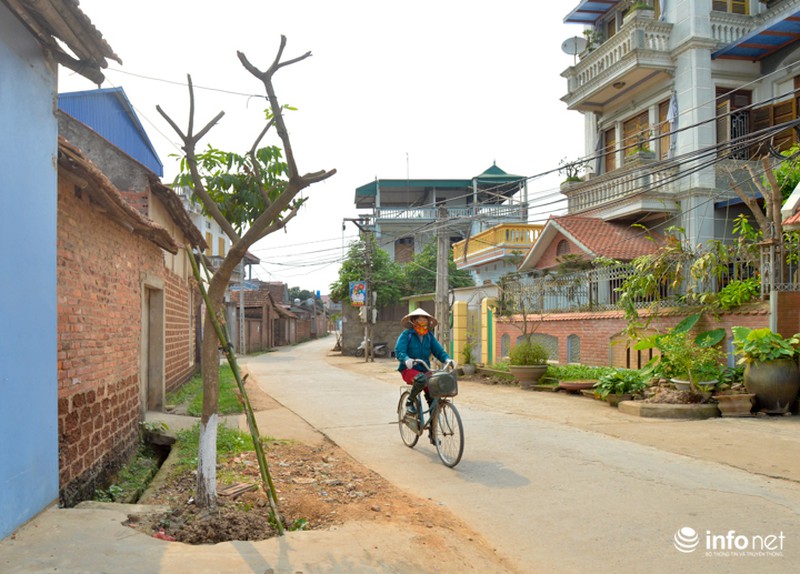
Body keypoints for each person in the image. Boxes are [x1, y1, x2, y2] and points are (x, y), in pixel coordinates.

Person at [394, 308, 453, 418]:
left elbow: (438, 351)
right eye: (419, 319)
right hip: (408, 370)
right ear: (413, 321)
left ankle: (433, 430)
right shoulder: (407, 335)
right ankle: (410, 402)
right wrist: (406, 359)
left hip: (425, 369)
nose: (422, 322)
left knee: (434, 391)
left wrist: (447, 359)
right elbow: (399, 351)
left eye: (424, 319)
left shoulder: (429, 336)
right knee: (421, 379)